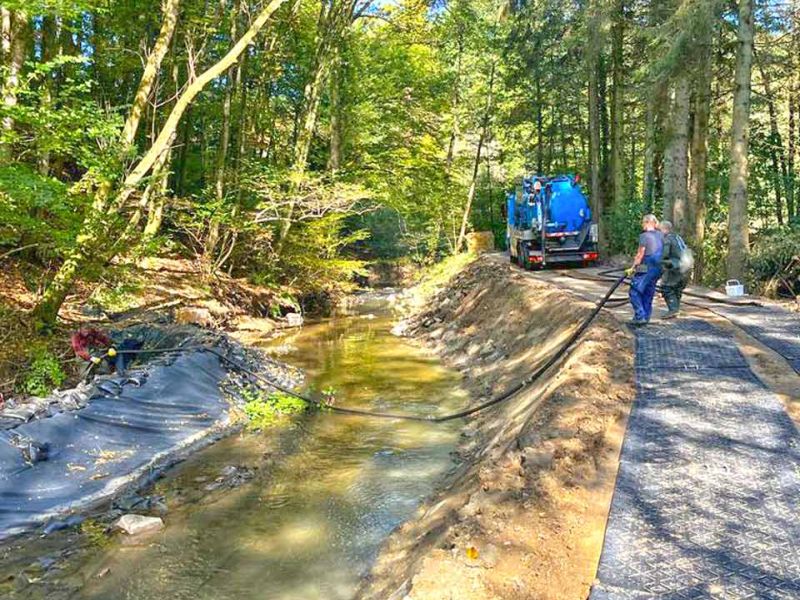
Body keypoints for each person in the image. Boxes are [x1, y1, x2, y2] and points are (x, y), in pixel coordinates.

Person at [626, 214, 663, 326]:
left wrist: (633, 268)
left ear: (647, 223)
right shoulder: (661, 235)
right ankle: (645, 318)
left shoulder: (644, 236)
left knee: (634, 291)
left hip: (647, 266)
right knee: (648, 292)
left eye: (643, 222)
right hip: (659, 268)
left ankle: (640, 316)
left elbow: (640, 254)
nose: (642, 224)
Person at [659, 220, 689, 319]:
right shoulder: (678, 237)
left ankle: (673, 309)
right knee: (677, 288)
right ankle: (676, 308)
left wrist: (660, 262)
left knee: (666, 287)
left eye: (660, 230)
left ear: (664, 229)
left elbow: (665, 254)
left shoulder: (667, 239)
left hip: (674, 266)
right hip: (686, 265)